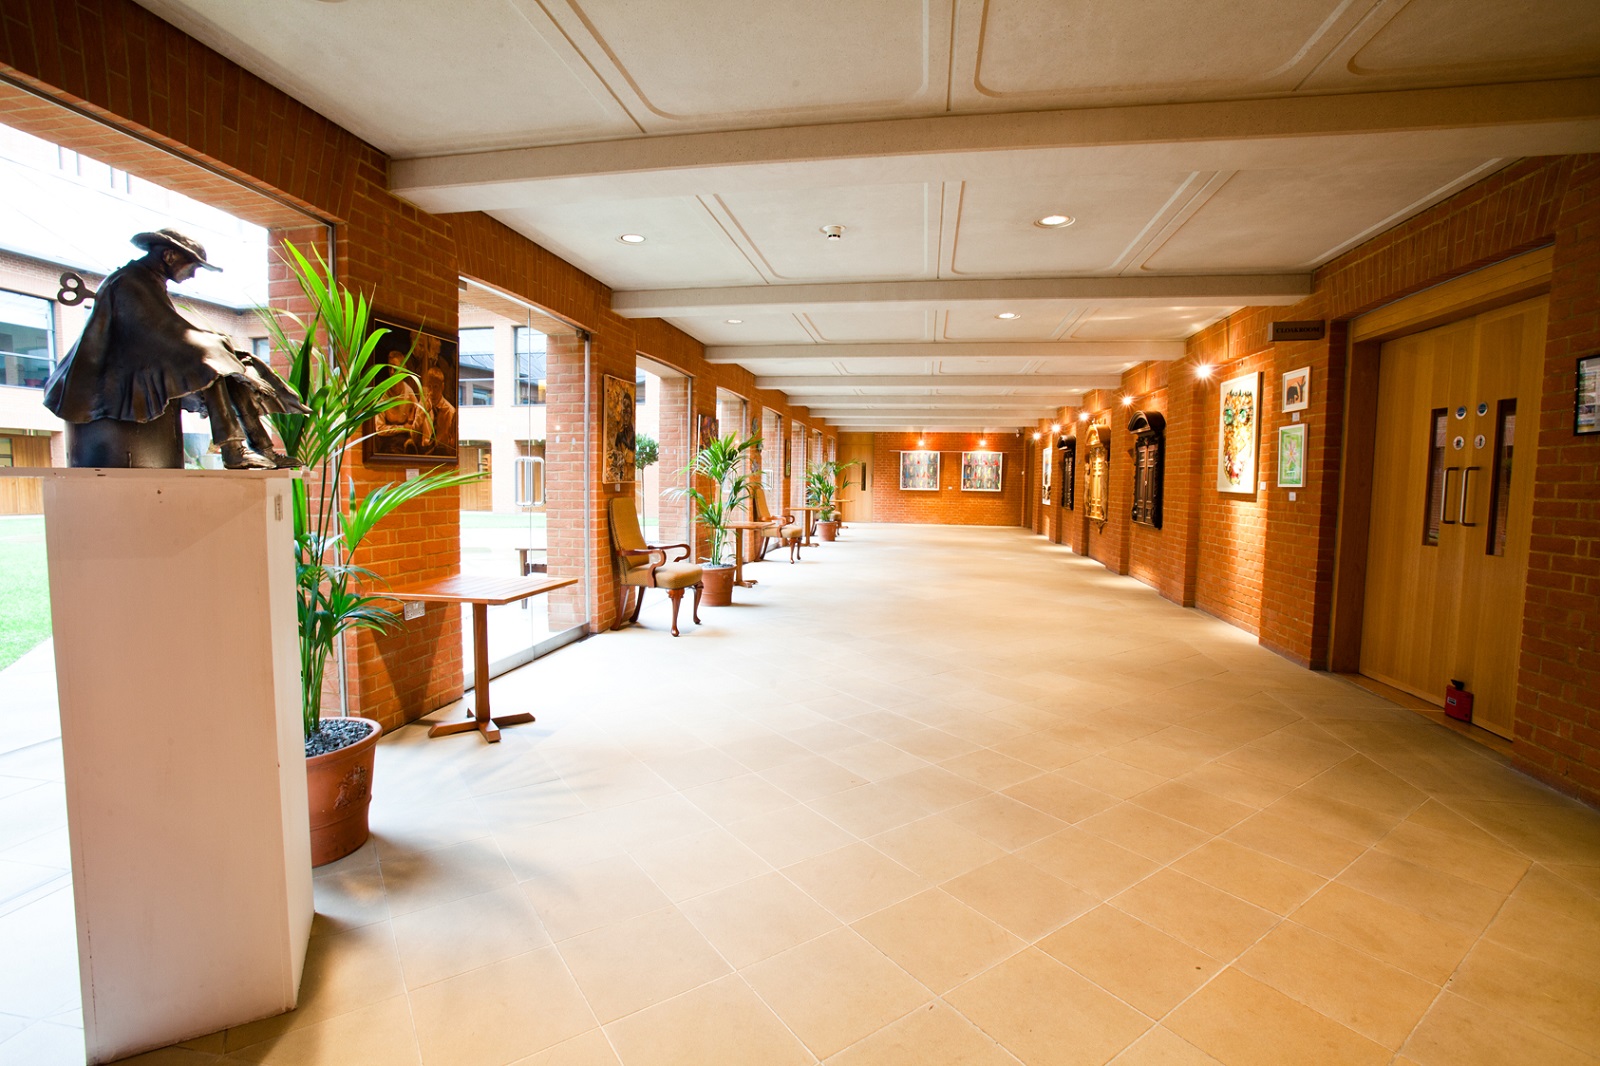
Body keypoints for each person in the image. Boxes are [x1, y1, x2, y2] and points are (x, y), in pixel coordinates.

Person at [43, 228, 307, 469]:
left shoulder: (146, 280)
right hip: (117, 371)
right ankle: (233, 449)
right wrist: (216, 349)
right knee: (210, 363)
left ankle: (261, 448)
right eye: (192, 266)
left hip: (141, 358)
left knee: (228, 363)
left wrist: (225, 353)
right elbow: (158, 331)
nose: (192, 274)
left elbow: (165, 327)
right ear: (169, 256)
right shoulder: (130, 281)